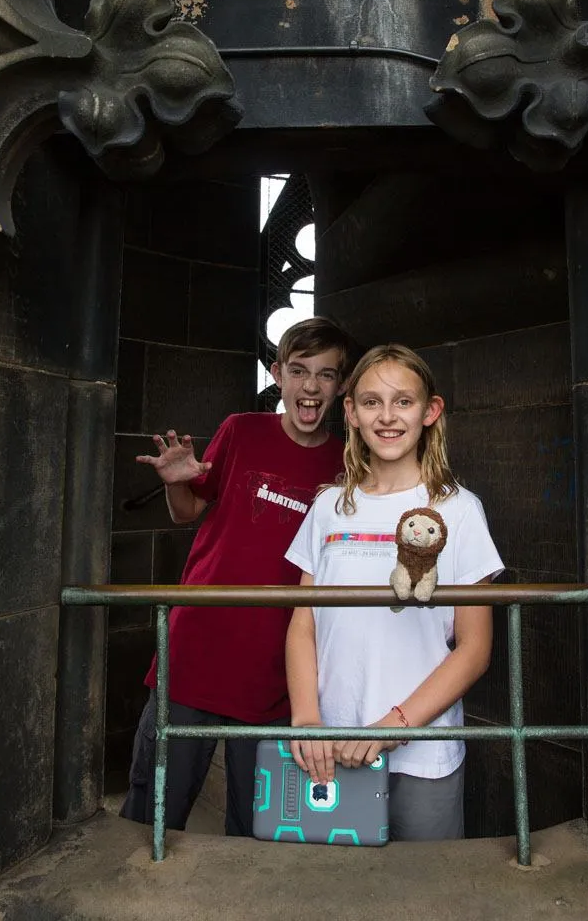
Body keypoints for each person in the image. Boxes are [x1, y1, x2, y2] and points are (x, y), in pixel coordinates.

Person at [120, 317, 356, 836]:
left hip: (279, 671)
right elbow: (186, 512)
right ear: (278, 374)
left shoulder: (349, 464)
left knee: (259, 827)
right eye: (299, 371)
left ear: (341, 386)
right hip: (197, 650)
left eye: (325, 375)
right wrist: (174, 483)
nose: (311, 386)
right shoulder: (241, 430)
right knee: (153, 810)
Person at [284, 344, 503, 841]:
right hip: (330, 748)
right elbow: (303, 624)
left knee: (424, 894)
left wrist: (393, 726)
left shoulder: (460, 511)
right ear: (351, 413)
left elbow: (474, 648)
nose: (387, 417)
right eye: (371, 402)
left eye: (403, 402)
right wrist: (307, 719)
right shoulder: (328, 508)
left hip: (422, 751)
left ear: (430, 411)